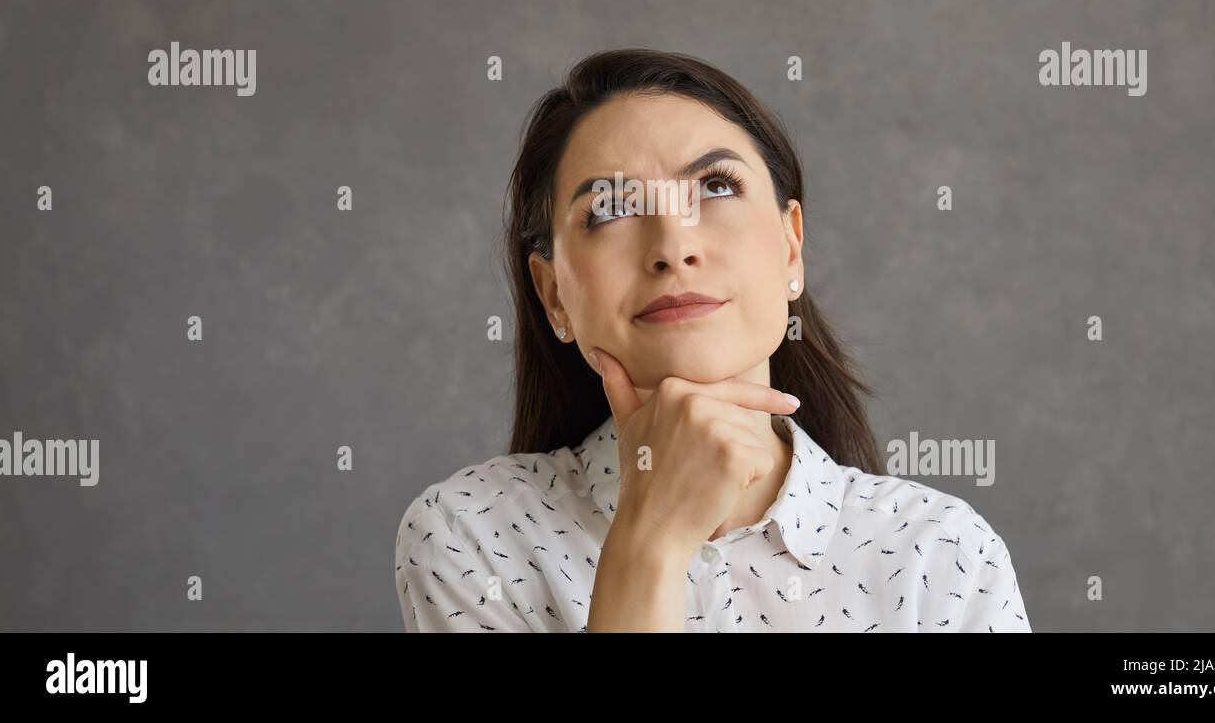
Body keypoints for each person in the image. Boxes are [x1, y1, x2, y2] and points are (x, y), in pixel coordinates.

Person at [394, 47, 1031, 632]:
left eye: (716, 187)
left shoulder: (941, 553)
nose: (673, 246)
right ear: (554, 293)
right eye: (611, 209)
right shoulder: (472, 533)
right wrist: (649, 545)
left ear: (790, 246)